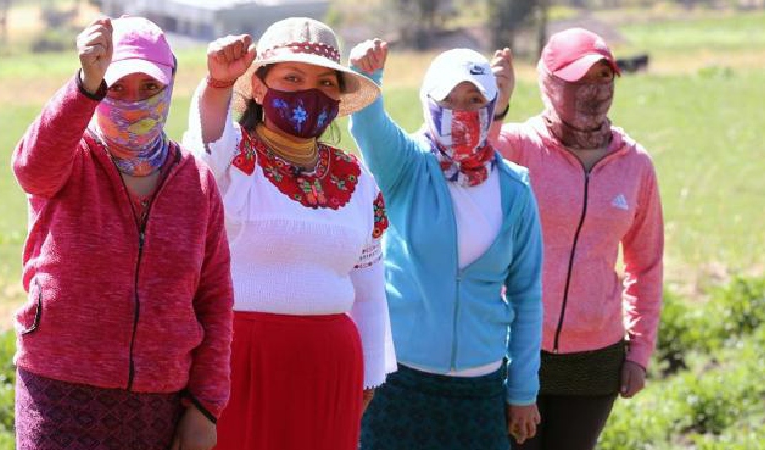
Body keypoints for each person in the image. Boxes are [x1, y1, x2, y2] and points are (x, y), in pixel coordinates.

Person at [11, 16, 232, 450]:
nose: (133, 101)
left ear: (169, 85)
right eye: (116, 88)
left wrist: (205, 407)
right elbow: (30, 170)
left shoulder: (196, 182)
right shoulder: (69, 158)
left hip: (159, 401)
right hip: (59, 392)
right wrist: (84, 85)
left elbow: (215, 301)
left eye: (149, 87)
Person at [181, 17, 394, 450]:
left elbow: (369, 284)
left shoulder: (355, 177)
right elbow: (205, 143)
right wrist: (218, 85)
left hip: (330, 369)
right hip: (239, 363)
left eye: (325, 82)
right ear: (259, 87)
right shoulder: (233, 157)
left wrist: (370, 375)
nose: (309, 93)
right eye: (292, 78)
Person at [348, 40, 544, 450]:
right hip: (398, 383)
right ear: (428, 102)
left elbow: (527, 295)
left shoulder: (515, 190)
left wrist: (523, 391)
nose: (461, 112)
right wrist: (367, 75)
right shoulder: (406, 165)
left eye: (474, 100)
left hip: (481, 390)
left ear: (493, 106)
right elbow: (367, 125)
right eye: (448, 100)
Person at [487, 28, 664, 450]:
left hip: (596, 357)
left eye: (603, 77)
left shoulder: (635, 165)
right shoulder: (519, 147)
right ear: (549, 82)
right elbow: (473, 164)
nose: (594, 90)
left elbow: (645, 264)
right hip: (514, 345)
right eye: (579, 79)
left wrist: (639, 351)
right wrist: (495, 107)